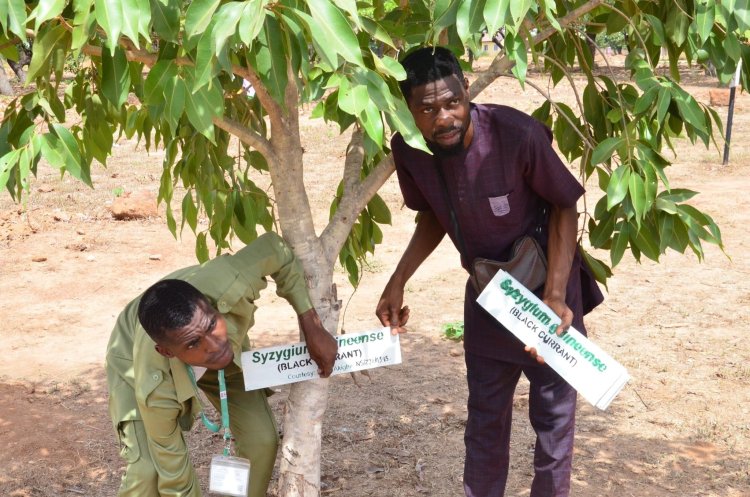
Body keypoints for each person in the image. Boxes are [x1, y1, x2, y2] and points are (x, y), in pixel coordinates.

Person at [376, 46, 603, 497]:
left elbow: (563, 203)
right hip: (489, 297)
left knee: (553, 422)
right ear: (408, 111)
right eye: (427, 109)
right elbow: (434, 214)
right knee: (484, 419)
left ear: (466, 92)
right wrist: (397, 280)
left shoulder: (515, 134)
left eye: (452, 102)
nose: (444, 118)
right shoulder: (410, 150)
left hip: (546, 298)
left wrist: (556, 295)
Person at [106, 232, 338, 497]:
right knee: (147, 472)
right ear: (168, 352)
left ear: (213, 308)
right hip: (131, 354)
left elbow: (276, 249)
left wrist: (311, 322)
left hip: (193, 341)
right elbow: (174, 472)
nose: (215, 346)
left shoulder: (229, 278)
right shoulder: (155, 385)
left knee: (260, 440)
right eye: (194, 342)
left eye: (212, 324)